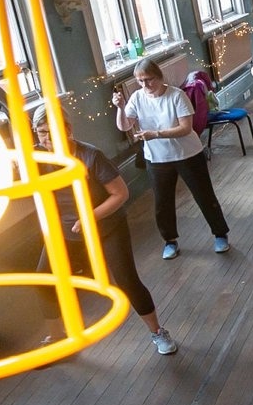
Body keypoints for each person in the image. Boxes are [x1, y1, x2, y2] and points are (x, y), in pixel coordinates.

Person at [30, 109, 177, 356]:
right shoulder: (37, 156)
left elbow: (120, 194)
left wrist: (89, 217)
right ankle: (56, 337)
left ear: (67, 130)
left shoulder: (90, 156)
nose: (47, 139)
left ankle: (158, 332)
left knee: (127, 281)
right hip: (64, 230)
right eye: (41, 133)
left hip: (107, 226)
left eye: (52, 132)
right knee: (43, 280)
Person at [112, 59, 231, 260]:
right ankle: (169, 240)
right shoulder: (137, 97)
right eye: (140, 81)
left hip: (188, 154)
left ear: (159, 77)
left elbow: (185, 128)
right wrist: (121, 107)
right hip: (157, 159)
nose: (144, 85)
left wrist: (156, 134)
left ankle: (220, 234)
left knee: (204, 196)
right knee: (162, 202)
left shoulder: (177, 96)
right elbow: (124, 126)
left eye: (148, 80)